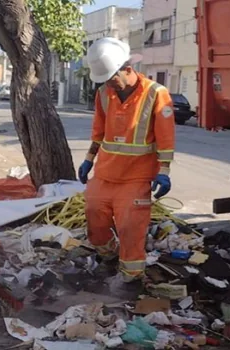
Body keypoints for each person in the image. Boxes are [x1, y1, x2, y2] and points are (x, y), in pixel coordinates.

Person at [78, 37, 175, 294]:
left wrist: (163, 171)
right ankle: (109, 256)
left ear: (128, 69)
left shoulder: (156, 94)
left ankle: (130, 279)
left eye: (113, 78)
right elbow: (98, 132)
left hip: (137, 177)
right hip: (105, 173)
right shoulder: (103, 94)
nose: (111, 84)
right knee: (94, 216)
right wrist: (88, 159)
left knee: (131, 227)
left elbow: (166, 138)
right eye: (106, 80)